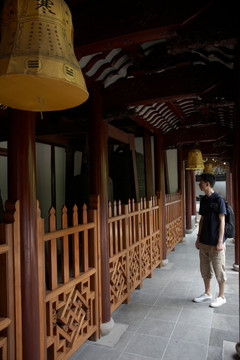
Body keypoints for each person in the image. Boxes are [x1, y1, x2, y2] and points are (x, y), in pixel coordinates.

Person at [193, 172, 227, 308]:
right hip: (204, 241)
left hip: (215, 242)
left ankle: (221, 296)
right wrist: (198, 237)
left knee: (219, 269)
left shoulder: (219, 199)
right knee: (205, 268)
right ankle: (207, 293)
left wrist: (220, 241)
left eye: (201, 182)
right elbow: (201, 219)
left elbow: (222, 220)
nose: (199, 184)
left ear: (207, 183)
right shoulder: (204, 200)